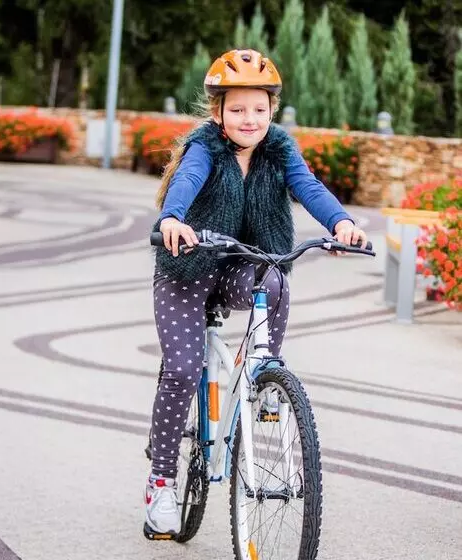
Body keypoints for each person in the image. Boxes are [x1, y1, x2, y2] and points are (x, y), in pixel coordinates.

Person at [144, 49, 368, 534]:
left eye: (260, 110)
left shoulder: (280, 148)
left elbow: (308, 186)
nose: (250, 119)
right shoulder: (205, 148)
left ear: (272, 111)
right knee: (182, 371)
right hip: (186, 267)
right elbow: (185, 182)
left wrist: (342, 222)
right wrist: (171, 221)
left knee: (276, 279)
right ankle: (160, 482)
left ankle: (266, 373)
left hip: (239, 266)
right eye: (238, 109)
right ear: (219, 111)